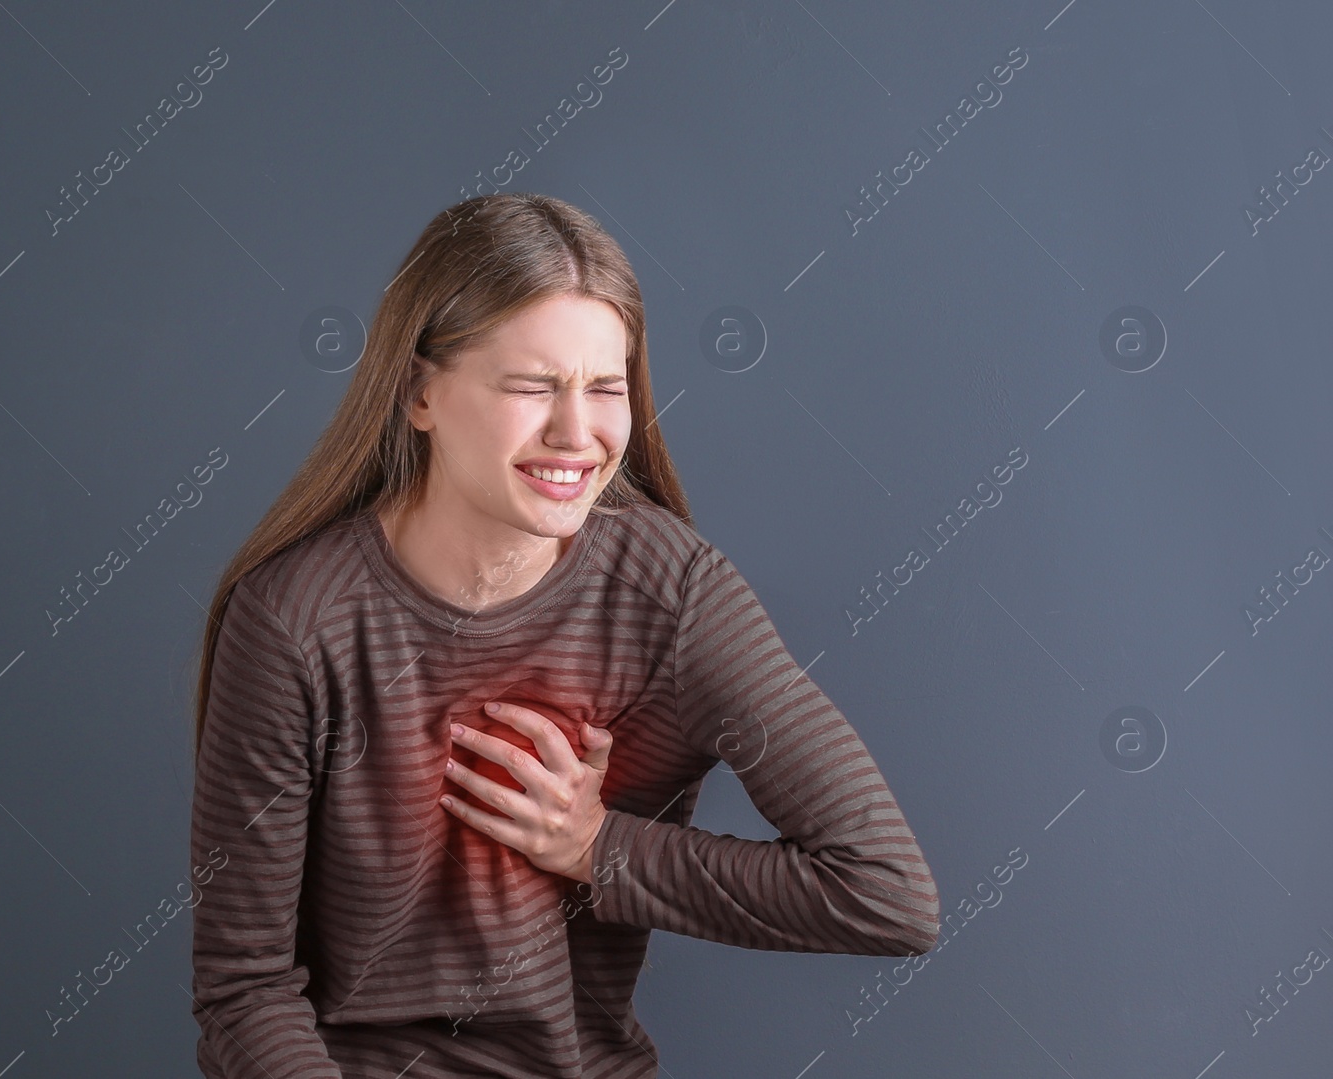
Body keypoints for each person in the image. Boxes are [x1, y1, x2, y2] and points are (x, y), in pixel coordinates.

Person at [187, 192, 939, 1078]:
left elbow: (887, 895)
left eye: (606, 387)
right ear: (420, 392)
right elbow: (245, 990)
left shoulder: (672, 592)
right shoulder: (293, 619)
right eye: (532, 386)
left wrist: (595, 846)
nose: (576, 435)